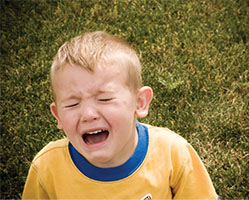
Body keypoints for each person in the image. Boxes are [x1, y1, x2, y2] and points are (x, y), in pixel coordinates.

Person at [22, 31, 218, 199]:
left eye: (105, 99)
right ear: (58, 116)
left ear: (139, 103)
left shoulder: (173, 153)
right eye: (73, 104)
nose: (88, 114)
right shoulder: (47, 168)